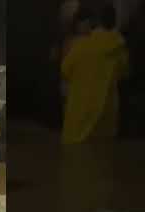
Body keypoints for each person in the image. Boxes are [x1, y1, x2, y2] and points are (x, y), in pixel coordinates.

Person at [61, 4, 129, 144]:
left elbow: (65, 70)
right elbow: (123, 73)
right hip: (107, 111)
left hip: (79, 110)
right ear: (115, 22)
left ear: (97, 22)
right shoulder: (120, 47)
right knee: (104, 159)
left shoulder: (81, 45)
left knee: (74, 161)